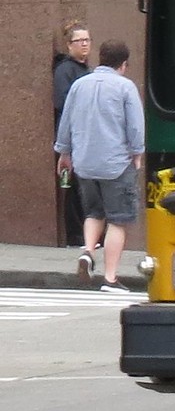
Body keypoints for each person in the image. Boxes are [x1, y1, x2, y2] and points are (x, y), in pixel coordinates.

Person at [53, 38, 145, 292]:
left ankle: (88, 252)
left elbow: (67, 121)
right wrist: (137, 152)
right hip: (116, 163)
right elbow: (135, 125)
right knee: (118, 220)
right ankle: (111, 278)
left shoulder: (79, 86)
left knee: (93, 213)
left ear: (100, 58)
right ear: (123, 64)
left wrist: (64, 152)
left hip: (84, 162)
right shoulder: (125, 88)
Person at [52, 20, 93, 247]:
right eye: (80, 40)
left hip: (84, 136)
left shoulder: (85, 69)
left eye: (87, 40)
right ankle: (75, 235)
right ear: (69, 45)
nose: (85, 44)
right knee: (74, 187)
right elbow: (62, 102)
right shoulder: (65, 70)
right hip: (72, 138)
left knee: (83, 187)